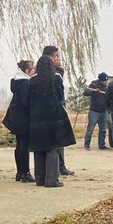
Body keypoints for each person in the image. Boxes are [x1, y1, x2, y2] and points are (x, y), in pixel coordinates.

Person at [27, 54, 76, 187]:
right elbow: (60, 97)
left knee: (39, 149)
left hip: (36, 119)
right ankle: (52, 180)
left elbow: (28, 100)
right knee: (52, 149)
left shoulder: (32, 81)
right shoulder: (56, 78)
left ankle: (40, 179)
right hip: (53, 117)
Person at [2, 60, 36, 182]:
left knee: (20, 145)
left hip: (16, 118)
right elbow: (26, 102)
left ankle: (20, 172)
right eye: (33, 69)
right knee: (24, 146)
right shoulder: (25, 83)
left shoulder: (18, 82)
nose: (35, 71)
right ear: (27, 71)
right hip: (22, 118)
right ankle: (25, 172)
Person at [43, 45, 74, 176]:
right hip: (54, 110)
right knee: (56, 140)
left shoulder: (50, 71)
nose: (58, 59)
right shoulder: (52, 73)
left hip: (49, 110)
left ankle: (59, 166)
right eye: (56, 56)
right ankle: (58, 167)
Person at [82, 72, 109, 150]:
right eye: (104, 81)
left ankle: (101, 145)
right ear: (100, 80)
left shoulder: (107, 87)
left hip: (103, 111)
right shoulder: (94, 85)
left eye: (106, 81)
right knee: (90, 129)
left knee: (103, 130)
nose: (105, 82)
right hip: (94, 111)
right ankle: (87, 145)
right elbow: (85, 92)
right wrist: (93, 91)